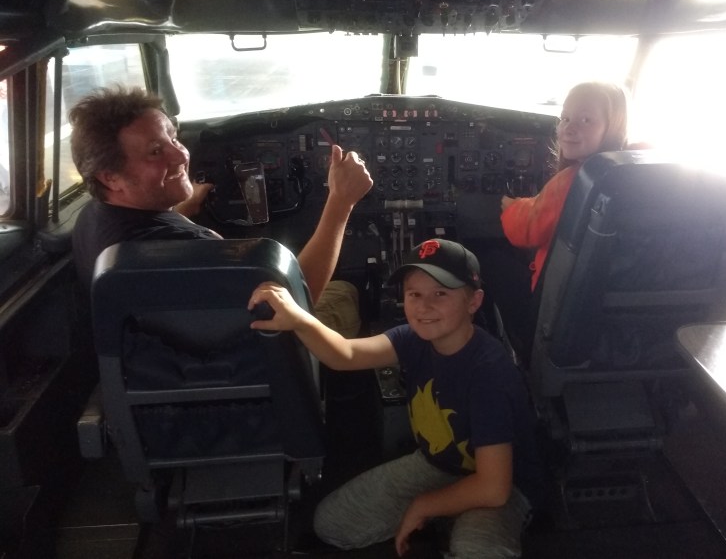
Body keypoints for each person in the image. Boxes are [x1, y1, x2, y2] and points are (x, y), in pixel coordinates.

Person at [248, 238, 548, 558]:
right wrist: (298, 318)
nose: (424, 306)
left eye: (440, 294)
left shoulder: (489, 372)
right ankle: (449, 515)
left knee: (477, 550)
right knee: (332, 524)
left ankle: (453, 517)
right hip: (438, 464)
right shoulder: (412, 338)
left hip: (503, 484)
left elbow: (493, 488)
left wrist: (423, 505)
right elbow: (345, 354)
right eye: (414, 294)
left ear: (474, 302)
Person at [70, 86, 373, 311]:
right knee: (344, 293)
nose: (181, 155)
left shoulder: (93, 218)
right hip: (258, 357)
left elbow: (154, 232)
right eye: (155, 151)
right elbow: (295, 303)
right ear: (110, 177)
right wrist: (341, 202)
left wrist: (182, 209)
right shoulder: (190, 253)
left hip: (165, 357)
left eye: (173, 138)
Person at [500, 81, 628, 293]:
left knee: (495, 264)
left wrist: (511, 207)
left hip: (559, 294)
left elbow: (525, 230)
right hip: (610, 290)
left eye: (586, 120)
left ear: (612, 127)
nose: (569, 128)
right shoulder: (634, 173)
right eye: (565, 118)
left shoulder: (575, 181)